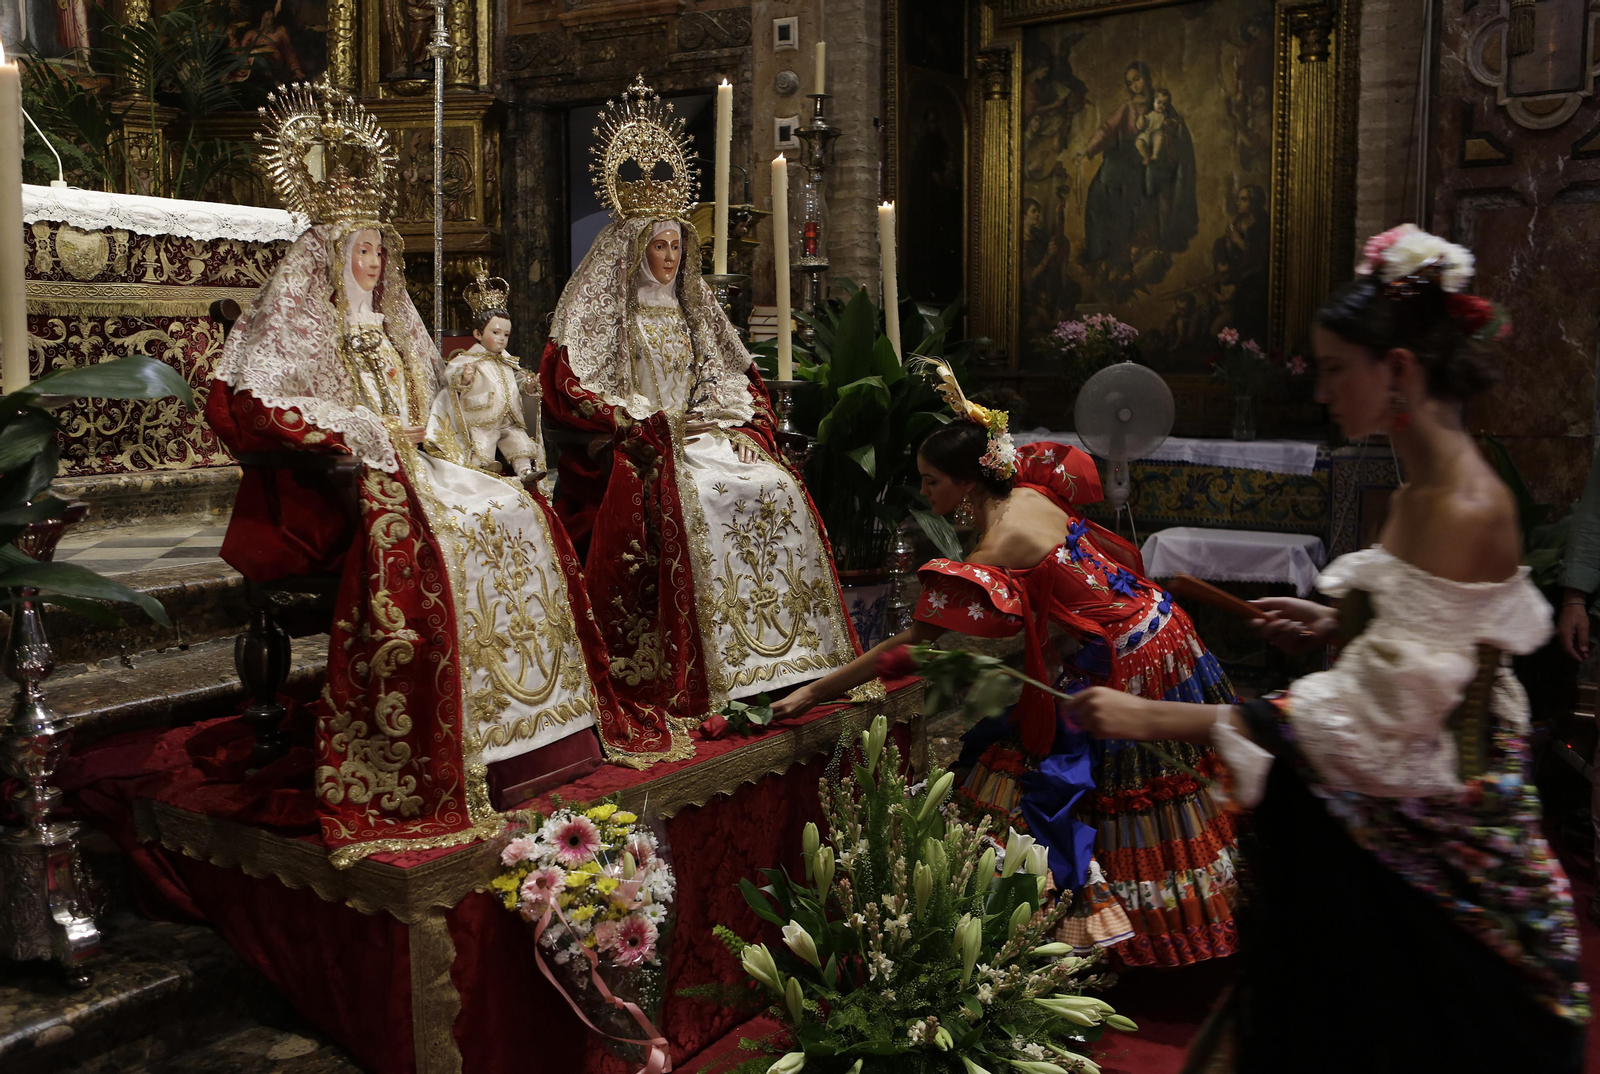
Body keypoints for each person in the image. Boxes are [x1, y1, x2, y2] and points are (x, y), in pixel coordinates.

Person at [1065, 225, 1588, 1071]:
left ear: (1401, 372)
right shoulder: (1423, 485)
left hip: (1435, 837)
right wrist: (1335, 624)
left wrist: (1160, 718)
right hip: (1396, 788)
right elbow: (1430, 634)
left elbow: (1373, 713)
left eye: (1338, 368)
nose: (1323, 392)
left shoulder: (1461, 502)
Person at [208, 80, 622, 865]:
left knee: (517, 510)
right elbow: (262, 405)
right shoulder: (300, 324)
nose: (370, 262)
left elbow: (438, 402)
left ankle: (529, 730)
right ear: (331, 256)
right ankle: (455, 729)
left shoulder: (396, 324)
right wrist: (357, 431)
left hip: (419, 462)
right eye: (358, 250)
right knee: (459, 531)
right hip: (340, 484)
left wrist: (460, 438)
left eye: (377, 250)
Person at [773, 362, 1240, 968]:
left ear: (968, 484)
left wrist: (815, 693)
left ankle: (1118, 927)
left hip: (1127, 654)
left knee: (1127, 785)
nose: (927, 494)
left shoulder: (998, 545)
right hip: (1162, 626)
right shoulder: (1029, 489)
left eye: (932, 481)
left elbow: (916, 642)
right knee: (1147, 778)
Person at [542, 78, 858, 759]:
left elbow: (729, 376)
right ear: (634, 252)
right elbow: (577, 390)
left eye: (677, 248)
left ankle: (792, 655)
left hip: (703, 436)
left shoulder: (692, 312)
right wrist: (650, 426)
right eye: (659, 248)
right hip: (656, 445)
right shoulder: (607, 316)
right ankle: (716, 670)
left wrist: (741, 427)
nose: (672, 257)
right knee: (705, 499)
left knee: (772, 484)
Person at [425, 274, 544, 486]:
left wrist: (529, 385)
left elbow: (519, 380)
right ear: (478, 334)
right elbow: (451, 375)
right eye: (496, 332)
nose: (501, 338)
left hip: (509, 419)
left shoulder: (508, 361)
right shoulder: (469, 359)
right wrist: (465, 377)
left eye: (506, 334)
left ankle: (525, 472)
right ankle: (482, 470)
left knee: (519, 441)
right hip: (481, 417)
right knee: (483, 443)